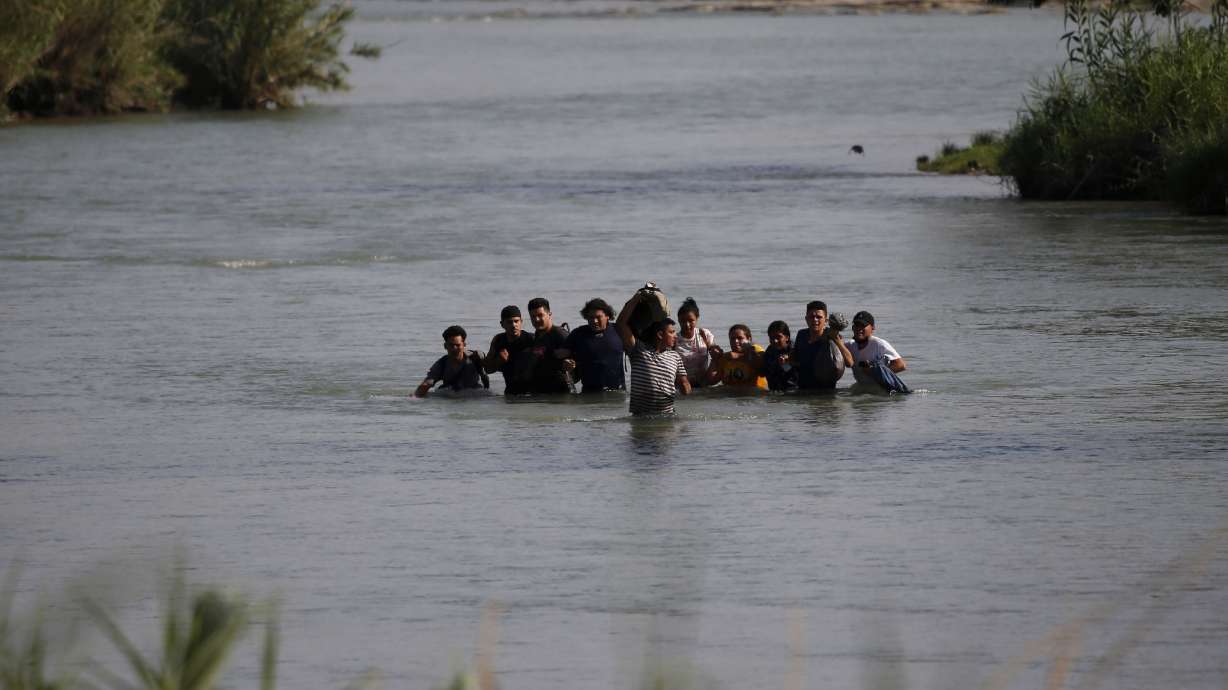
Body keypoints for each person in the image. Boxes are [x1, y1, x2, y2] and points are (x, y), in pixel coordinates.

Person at [615, 288, 691, 415]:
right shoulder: (639, 351)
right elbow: (621, 324)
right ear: (660, 335)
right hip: (641, 417)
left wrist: (685, 386)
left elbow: (684, 383)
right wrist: (636, 298)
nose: (675, 336)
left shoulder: (675, 356)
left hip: (668, 417)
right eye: (671, 332)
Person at [565, 298, 626, 393]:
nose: (595, 321)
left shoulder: (618, 330)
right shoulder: (578, 334)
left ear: (607, 316)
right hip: (590, 394)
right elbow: (563, 354)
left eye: (598, 317)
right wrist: (568, 362)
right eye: (591, 317)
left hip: (617, 392)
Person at [792, 300, 854, 391]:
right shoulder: (802, 335)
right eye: (811, 317)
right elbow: (794, 359)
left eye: (819, 317)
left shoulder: (832, 336)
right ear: (806, 319)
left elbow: (850, 363)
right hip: (803, 391)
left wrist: (836, 339)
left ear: (826, 320)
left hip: (826, 393)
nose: (815, 320)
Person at [415, 325, 488, 397]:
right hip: (449, 395)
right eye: (451, 345)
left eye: (458, 345)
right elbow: (427, 383)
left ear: (464, 344)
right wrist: (414, 397)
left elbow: (485, 377)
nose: (454, 348)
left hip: (473, 394)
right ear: (445, 346)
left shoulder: (476, 357)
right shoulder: (441, 364)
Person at [845, 311, 909, 392]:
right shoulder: (849, 346)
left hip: (881, 390)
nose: (859, 329)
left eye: (863, 325)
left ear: (872, 328)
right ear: (852, 327)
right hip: (861, 387)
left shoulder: (879, 344)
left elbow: (901, 365)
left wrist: (875, 371)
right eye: (857, 325)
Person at [525, 297, 573, 394]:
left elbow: (576, 362)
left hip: (561, 394)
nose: (536, 319)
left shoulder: (560, 335)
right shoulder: (537, 335)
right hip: (542, 393)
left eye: (540, 315)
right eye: (533, 316)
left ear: (549, 314)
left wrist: (570, 363)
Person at [484, 305, 535, 395]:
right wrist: (499, 361)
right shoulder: (498, 340)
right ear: (502, 324)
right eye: (509, 322)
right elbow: (488, 369)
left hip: (532, 393)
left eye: (516, 321)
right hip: (510, 392)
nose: (513, 325)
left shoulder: (531, 339)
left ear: (521, 321)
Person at [673, 297, 720, 388]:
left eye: (691, 321)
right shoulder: (674, 339)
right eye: (683, 321)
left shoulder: (704, 334)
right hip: (682, 386)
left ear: (697, 318)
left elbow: (714, 351)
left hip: (703, 384)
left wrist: (715, 351)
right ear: (678, 320)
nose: (687, 325)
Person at [707, 324, 768, 390]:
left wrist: (738, 356)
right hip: (729, 394)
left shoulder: (756, 350)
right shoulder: (727, 358)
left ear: (749, 339)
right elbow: (711, 381)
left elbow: (762, 365)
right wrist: (714, 359)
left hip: (754, 393)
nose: (735, 341)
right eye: (732, 339)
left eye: (740, 338)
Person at [761, 320, 799, 392]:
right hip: (774, 391)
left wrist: (788, 361)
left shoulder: (796, 349)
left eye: (778, 337)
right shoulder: (769, 351)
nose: (775, 341)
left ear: (787, 337)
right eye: (771, 338)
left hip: (794, 391)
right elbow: (763, 373)